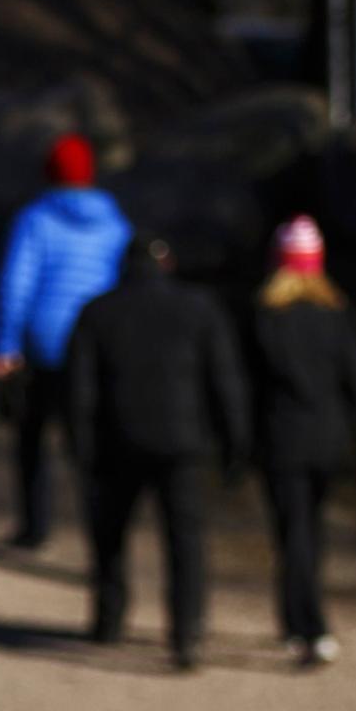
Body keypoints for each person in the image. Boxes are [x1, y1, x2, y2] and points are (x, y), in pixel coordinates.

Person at [64, 233, 248, 670]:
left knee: (109, 537)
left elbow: (78, 393)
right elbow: (225, 382)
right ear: (168, 264)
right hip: (181, 443)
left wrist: (80, 447)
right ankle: (186, 633)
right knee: (185, 542)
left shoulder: (97, 312)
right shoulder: (199, 308)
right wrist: (235, 444)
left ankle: (108, 620)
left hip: (116, 443)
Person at [246, 214, 356, 666]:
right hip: (327, 441)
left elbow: (248, 386)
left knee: (292, 535)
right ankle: (302, 622)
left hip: (281, 441)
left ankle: (306, 624)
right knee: (312, 531)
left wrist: (239, 445)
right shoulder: (336, 314)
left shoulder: (266, 315)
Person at [0, 132, 131, 548]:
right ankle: (99, 532)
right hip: (95, 345)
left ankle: (34, 527)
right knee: (87, 445)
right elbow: (123, 283)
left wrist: (5, 345)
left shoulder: (34, 219)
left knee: (32, 437)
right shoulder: (114, 221)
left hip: (42, 345)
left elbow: (15, 285)